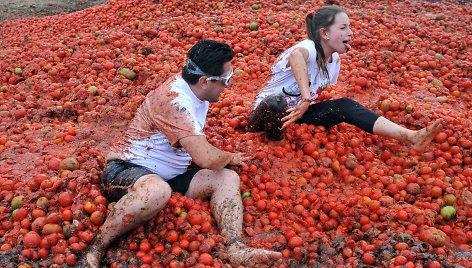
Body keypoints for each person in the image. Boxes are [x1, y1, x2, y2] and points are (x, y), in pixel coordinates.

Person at [80, 40, 282, 267]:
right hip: (126, 169)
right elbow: (205, 158)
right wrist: (229, 156)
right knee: (157, 190)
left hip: (168, 178)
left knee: (227, 177)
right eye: (226, 80)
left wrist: (224, 160)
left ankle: (235, 247)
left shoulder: (197, 92)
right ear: (205, 81)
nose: (228, 86)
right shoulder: (175, 101)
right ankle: (95, 247)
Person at [247, 5, 442, 152]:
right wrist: (306, 99)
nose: (350, 32)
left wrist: (307, 105)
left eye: (349, 27)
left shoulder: (335, 61)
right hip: (265, 116)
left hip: (296, 116)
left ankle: (411, 136)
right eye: (343, 28)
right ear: (324, 33)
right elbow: (296, 57)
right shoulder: (308, 47)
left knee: (345, 105)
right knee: (276, 103)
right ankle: (274, 150)